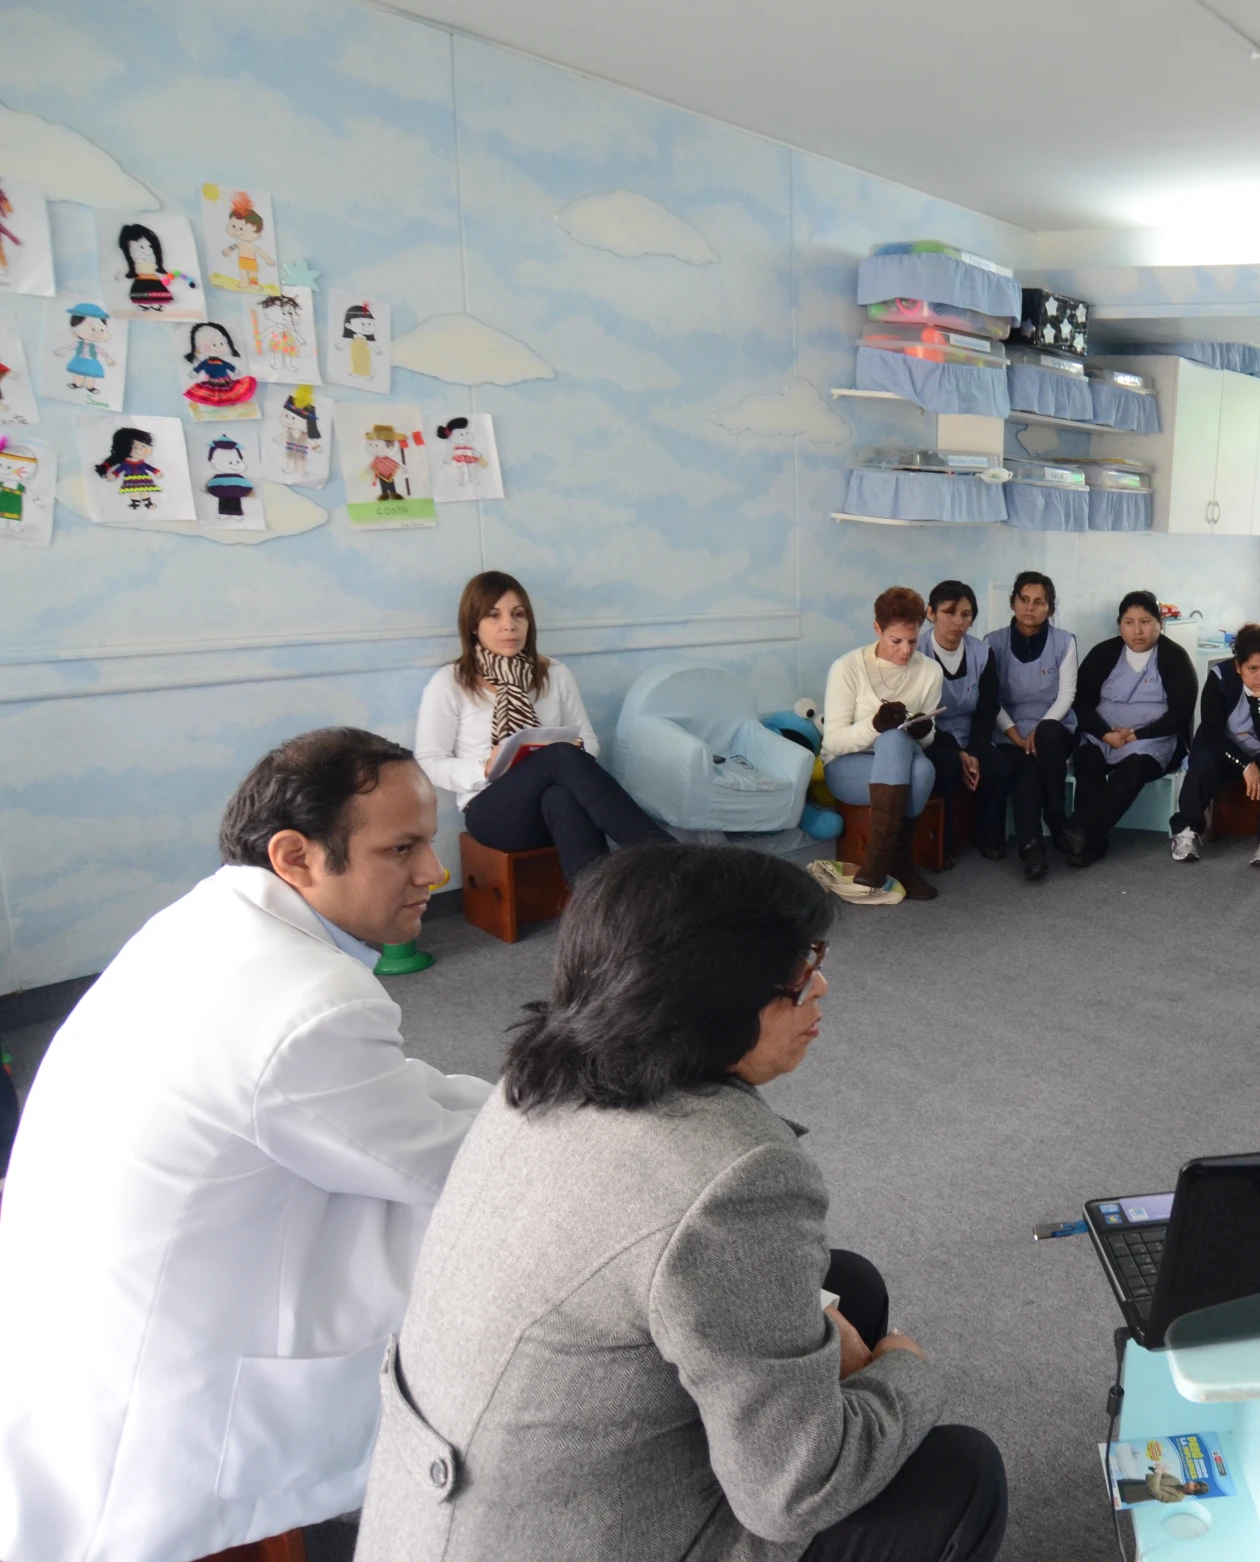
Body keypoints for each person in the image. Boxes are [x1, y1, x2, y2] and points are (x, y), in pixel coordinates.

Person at [354, 844, 1005, 1562]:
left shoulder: (538, 1072)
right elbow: (793, 1495)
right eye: (796, 972)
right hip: (564, 1536)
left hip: (451, 1517)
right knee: (960, 1478)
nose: (819, 987)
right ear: (711, 993)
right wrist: (904, 1371)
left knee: (844, 1284)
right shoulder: (732, 1172)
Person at [0, 729, 493, 1562]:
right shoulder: (309, 1006)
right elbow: (458, 1164)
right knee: (511, 1234)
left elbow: (383, 1097)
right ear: (296, 855)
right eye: (402, 848)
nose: (435, 874)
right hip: (167, 1412)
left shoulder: (209, 919)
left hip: (63, 1327)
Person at [416, 570, 671, 884]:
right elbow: (429, 763)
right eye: (493, 616)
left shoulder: (554, 673)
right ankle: (670, 860)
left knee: (560, 794)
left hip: (552, 806)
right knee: (559, 757)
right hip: (493, 812)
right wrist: (484, 767)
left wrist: (576, 750)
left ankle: (598, 910)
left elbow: (588, 740)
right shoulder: (451, 682)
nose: (509, 625)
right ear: (473, 625)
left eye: (518, 615)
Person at [821, 587, 945, 902]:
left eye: (913, 641)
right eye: (896, 641)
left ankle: (879, 863)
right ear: (878, 629)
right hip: (847, 766)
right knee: (916, 766)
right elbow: (833, 741)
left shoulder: (930, 671)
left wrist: (922, 731)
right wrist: (874, 725)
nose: (906, 651)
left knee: (908, 752)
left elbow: (928, 740)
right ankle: (900, 863)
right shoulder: (847, 668)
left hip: (900, 762)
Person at [1066, 590, 1198, 867]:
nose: (1138, 631)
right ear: (1120, 624)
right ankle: (1093, 844)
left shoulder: (1175, 657)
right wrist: (1105, 734)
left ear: (1160, 623)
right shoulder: (1104, 653)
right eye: (1129, 622)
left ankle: (1083, 832)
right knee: (1088, 759)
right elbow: (1080, 703)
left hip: (1153, 739)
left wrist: (1135, 735)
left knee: (1134, 767)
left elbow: (1180, 714)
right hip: (1103, 733)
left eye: (1146, 621)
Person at [1170, 623, 1260, 868]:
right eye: (1252, 668)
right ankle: (1186, 830)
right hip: (1224, 749)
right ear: (1238, 667)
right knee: (1203, 760)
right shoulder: (1221, 678)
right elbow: (1212, 733)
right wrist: (1246, 765)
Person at [973, 572, 1077, 881]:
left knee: (1046, 740)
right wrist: (1015, 735)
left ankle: (1055, 815)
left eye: (1039, 602)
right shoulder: (992, 643)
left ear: (1050, 607)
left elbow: (1067, 694)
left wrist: (1039, 729)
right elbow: (992, 699)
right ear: (1013, 602)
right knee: (1024, 768)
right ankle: (1033, 848)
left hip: (1054, 725)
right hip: (1008, 728)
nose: (1030, 608)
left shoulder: (1064, 641)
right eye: (1024, 599)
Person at [918, 580, 991, 863]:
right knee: (947, 767)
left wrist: (973, 751)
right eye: (949, 612)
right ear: (931, 613)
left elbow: (988, 708)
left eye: (966, 614)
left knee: (997, 767)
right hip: (930, 735)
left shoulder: (982, 652)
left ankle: (988, 839)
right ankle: (945, 847)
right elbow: (920, 716)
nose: (958, 621)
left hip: (971, 733)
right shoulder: (917, 650)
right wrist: (959, 753)